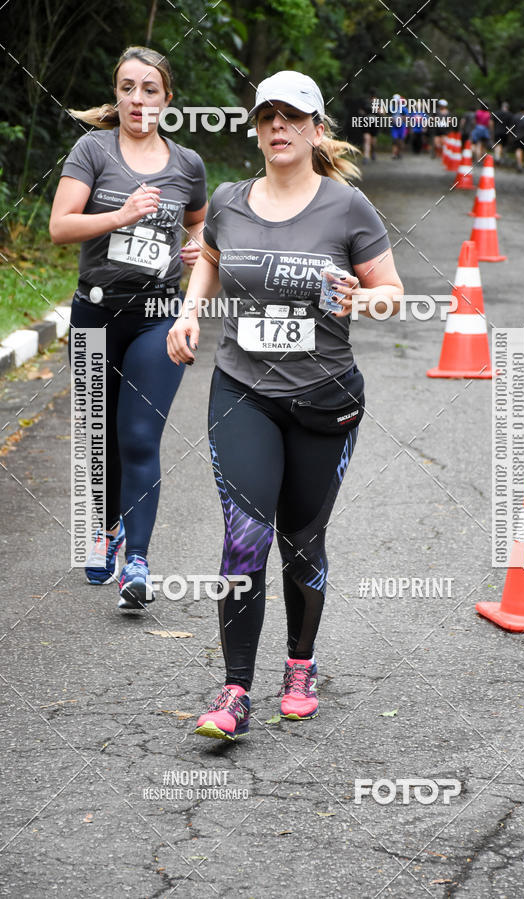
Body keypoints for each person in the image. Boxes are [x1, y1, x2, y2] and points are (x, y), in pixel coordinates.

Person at [167, 70, 403, 742]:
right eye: (267, 115)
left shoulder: (347, 207)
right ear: (257, 127)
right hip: (243, 389)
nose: (278, 127)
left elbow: (391, 290)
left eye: (292, 117)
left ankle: (299, 664)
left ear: (315, 129)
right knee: (245, 534)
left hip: (325, 397)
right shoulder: (230, 200)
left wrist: (362, 298)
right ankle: (235, 687)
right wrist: (190, 314)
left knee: (301, 544)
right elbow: (209, 258)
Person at [49, 46, 207, 610]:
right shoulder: (92, 149)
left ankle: (136, 560)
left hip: (158, 316)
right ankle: (103, 530)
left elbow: (198, 225)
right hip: (95, 311)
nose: (137, 99)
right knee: (97, 440)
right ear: (116, 95)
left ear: (167, 98)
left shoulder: (187, 163)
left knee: (139, 437)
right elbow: (60, 226)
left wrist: (196, 251)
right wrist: (120, 215)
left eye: (149, 89)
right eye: (127, 87)